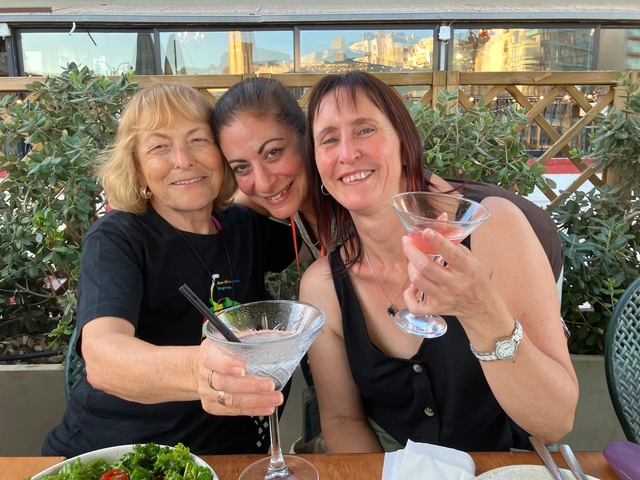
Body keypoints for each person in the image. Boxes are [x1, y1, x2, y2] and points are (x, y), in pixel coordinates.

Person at [299, 71, 578, 453]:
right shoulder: (323, 287)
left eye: (365, 130)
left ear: (403, 142)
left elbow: (556, 422)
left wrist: (480, 310)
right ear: (316, 163)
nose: (347, 153)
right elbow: (342, 420)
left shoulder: (496, 228)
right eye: (329, 139)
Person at [42, 83, 298, 457]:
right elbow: (102, 357)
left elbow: (313, 226)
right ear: (139, 170)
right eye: (160, 147)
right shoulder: (118, 237)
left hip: (231, 456)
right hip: (121, 454)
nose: (183, 160)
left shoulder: (244, 225)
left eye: (198, 140)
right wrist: (203, 368)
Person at [212, 76, 324, 258]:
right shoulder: (283, 195)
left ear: (307, 137)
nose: (264, 184)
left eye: (273, 153)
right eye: (241, 167)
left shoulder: (354, 201)